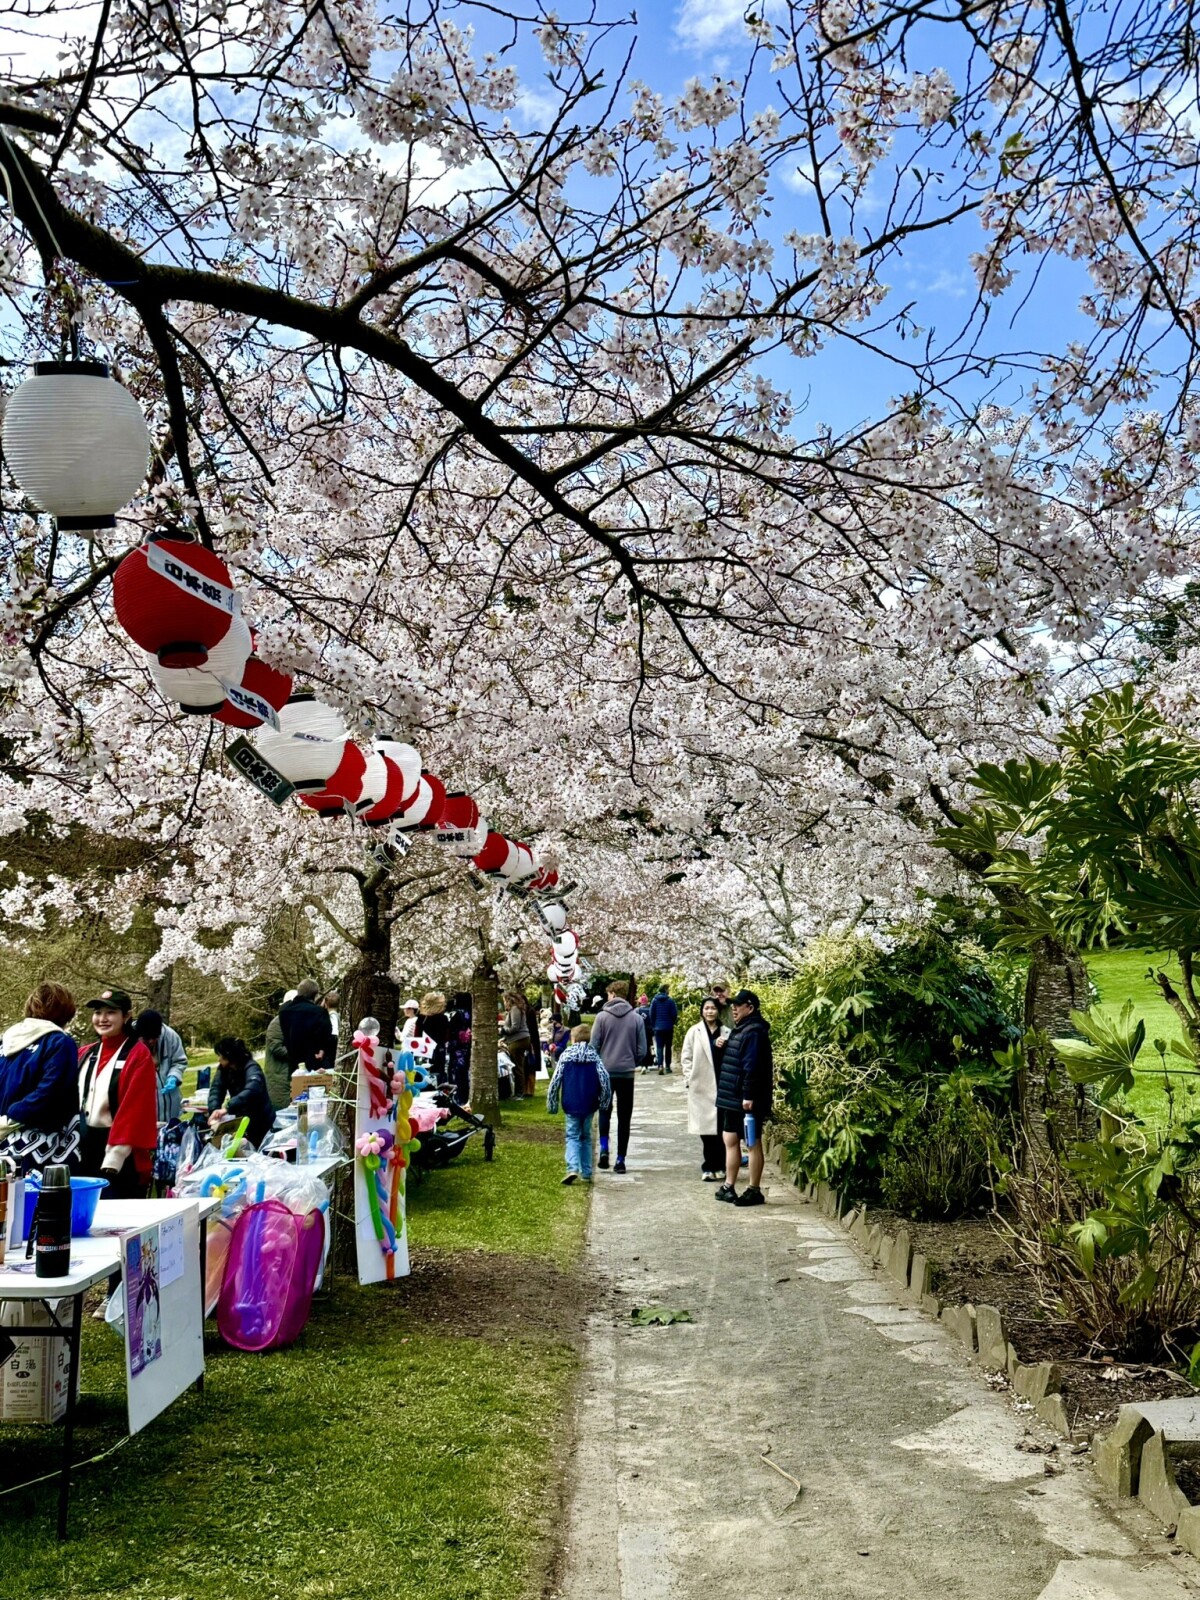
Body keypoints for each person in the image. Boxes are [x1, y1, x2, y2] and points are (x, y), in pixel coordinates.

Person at [76, 986, 159, 1200]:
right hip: (83, 1152)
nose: (102, 1018)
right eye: (98, 1012)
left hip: (121, 1158)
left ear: (126, 1016)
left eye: (110, 1012)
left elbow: (134, 1110)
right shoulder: (86, 1053)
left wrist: (113, 1160)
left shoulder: (138, 1055)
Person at [714, 989, 774, 1208]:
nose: (734, 1008)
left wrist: (748, 1095)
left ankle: (754, 1189)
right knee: (730, 1139)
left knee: (752, 1142)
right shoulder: (740, 1030)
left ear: (750, 1007)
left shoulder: (755, 1032)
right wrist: (722, 1046)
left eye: (738, 1005)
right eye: (732, 1005)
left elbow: (753, 1067)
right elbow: (735, 1061)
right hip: (731, 1096)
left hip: (746, 1099)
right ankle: (729, 1186)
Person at [0, 982, 80, 1137]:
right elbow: (51, 1089)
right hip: (37, 1139)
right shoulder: (60, 1043)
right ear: (66, 1011)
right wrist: (12, 1117)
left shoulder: (7, 1039)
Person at [589, 979, 645, 1174]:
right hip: (627, 1073)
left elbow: (594, 1045)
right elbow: (642, 1049)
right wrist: (632, 1062)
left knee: (604, 1110)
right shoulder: (636, 1018)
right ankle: (621, 1159)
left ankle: (604, 1147)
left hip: (605, 1071)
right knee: (624, 1116)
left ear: (612, 994)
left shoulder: (602, 1017)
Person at [546, 1023, 611, 1185]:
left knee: (572, 1136)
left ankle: (572, 1167)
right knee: (586, 1136)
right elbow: (605, 1080)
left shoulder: (566, 1056)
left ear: (572, 1039)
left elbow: (555, 1081)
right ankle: (587, 1172)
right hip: (589, 1103)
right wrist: (604, 1102)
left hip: (571, 1102)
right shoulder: (595, 1057)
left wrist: (552, 1103)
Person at [681, 997, 727, 1179]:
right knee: (706, 1131)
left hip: (722, 1085)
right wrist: (689, 1078)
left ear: (718, 1011)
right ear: (702, 1011)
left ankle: (720, 1166)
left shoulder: (726, 1032)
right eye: (706, 1008)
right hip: (701, 1085)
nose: (710, 1011)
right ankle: (708, 1166)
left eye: (713, 1008)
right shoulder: (694, 1031)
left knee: (722, 1130)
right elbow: (686, 1057)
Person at [207, 1036, 275, 1150]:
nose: (219, 1059)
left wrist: (228, 1108)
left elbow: (252, 1089)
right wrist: (214, 1109)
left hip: (261, 1121)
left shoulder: (252, 1068)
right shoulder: (224, 1070)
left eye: (220, 1055)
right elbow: (216, 1089)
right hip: (242, 1120)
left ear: (230, 1056)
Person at [134, 1009, 188, 1122]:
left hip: (171, 1104)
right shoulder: (129, 1039)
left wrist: (174, 1076)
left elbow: (179, 1061)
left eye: (155, 1038)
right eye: (147, 1039)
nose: (151, 1041)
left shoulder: (171, 1036)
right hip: (143, 1107)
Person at [498, 990, 532, 1100]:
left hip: (519, 1040)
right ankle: (518, 1092)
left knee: (517, 1067)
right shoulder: (515, 1009)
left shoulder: (515, 1009)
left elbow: (515, 1027)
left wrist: (502, 1030)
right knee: (518, 1066)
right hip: (518, 1039)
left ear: (508, 1000)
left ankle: (519, 1094)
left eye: (504, 1000)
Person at [419, 991, 451, 1082]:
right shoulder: (443, 1018)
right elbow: (446, 1036)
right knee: (438, 1069)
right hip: (438, 1048)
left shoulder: (421, 1018)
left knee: (423, 1069)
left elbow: (417, 1034)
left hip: (422, 1048)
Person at [648, 983, 679, 1074]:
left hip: (658, 1028)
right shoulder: (670, 1001)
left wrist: (654, 1025)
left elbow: (651, 1014)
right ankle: (668, 1067)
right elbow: (674, 1014)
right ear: (665, 990)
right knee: (668, 1047)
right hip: (668, 1027)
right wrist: (671, 1023)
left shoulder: (654, 1001)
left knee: (659, 1047)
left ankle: (660, 1066)